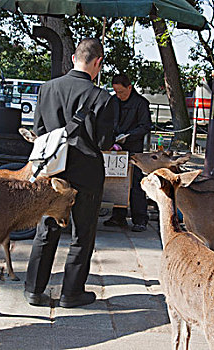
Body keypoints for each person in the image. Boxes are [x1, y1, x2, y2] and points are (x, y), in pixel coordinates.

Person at [24, 38, 116, 308]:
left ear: (75, 58)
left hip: (53, 173)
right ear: (97, 62)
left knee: (47, 229)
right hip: (87, 174)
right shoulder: (102, 98)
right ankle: (72, 293)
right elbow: (104, 143)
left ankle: (33, 289)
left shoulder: (47, 89)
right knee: (82, 234)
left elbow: (39, 131)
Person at [103, 74, 152, 232]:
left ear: (130, 87)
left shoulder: (141, 103)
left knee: (136, 183)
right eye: (116, 92)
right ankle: (118, 216)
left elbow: (145, 126)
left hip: (134, 149)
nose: (119, 95)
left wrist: (129, 136)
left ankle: (140, 219)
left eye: (121, 92)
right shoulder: (113, 101)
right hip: (115, 147)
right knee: (117, 181)